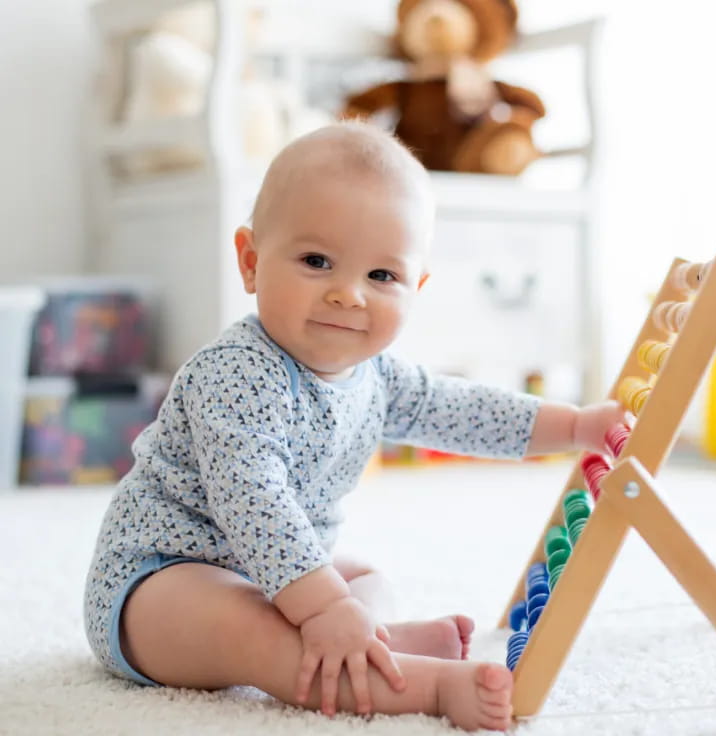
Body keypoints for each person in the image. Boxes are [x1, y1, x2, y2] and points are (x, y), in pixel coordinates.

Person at [83, 121, 624, 731]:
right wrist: (323, 608)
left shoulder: (378, 376)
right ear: (251, 261)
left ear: (415, 287)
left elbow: (465, 412)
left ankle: (375, 639)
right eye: (317, 261)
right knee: (261, 635)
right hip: (156, 584)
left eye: (381, 276)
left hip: (269, 575)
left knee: (363, 575)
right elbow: (253, 505)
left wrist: (577, 425)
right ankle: (431, 687)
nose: (348, 295)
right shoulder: (234, 374)